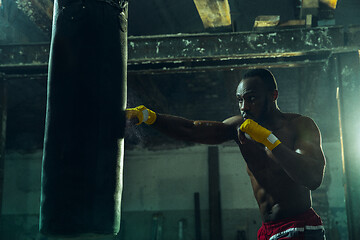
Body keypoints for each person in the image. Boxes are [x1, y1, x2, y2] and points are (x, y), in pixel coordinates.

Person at [126, 68, 326, 240]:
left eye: (252, 98)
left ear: (273, 96)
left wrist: (269, 139)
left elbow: (313, 178)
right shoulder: (239, 127)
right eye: (240, 100)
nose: (244, 107)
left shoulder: (300, 126)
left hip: (299, 226)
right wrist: (150, 117)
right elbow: (192, 129)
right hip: (268, 231)